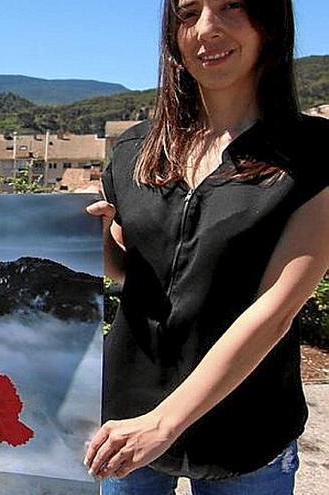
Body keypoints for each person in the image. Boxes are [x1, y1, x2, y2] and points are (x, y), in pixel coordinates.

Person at [84, 0, 329, 493]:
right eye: (189, 13)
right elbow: (127, 271)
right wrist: (93, 234)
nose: (206, 29)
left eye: (232, 7)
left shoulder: (315, 153)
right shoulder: (136, 149)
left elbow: (276, 310)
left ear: (270, 26)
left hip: (245, 429)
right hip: (124, 421)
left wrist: (164, 423)